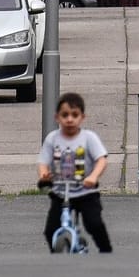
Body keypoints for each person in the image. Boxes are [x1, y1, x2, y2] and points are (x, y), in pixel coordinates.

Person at [38, 92, 113, 252]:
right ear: (57, 117)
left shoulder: (88, 138)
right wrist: (44, 175)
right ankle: (57, 253)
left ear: (82, 117)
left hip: (85, 192)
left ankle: (106, 251)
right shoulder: (52, 139)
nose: (70, 119)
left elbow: (102, 160)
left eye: (74, 115)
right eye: (65, 115)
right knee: (51, 229)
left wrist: (93, 177)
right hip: (60, 192)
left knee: (94, 224)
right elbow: (43, 162)